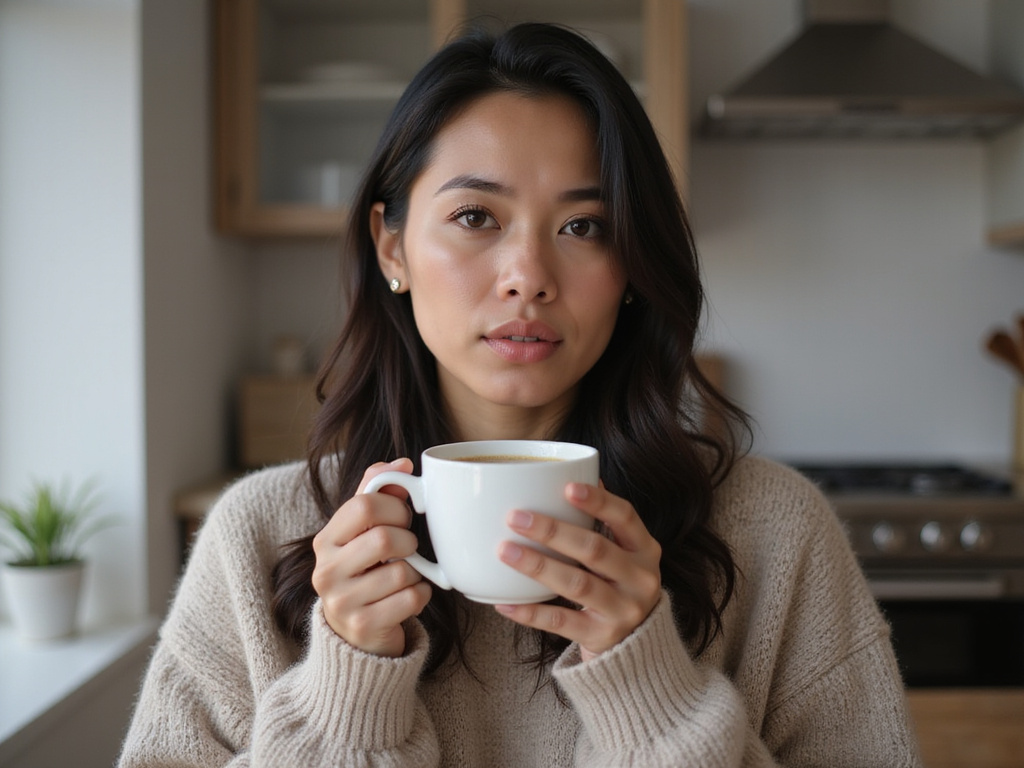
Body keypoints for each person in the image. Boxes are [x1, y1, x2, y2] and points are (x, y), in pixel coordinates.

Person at [119, 22, 921, 767]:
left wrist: (650, 688)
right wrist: (344, 699)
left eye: (584, 227)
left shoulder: (775, 538)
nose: (528, 277)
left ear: (633, 267)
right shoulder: (259, 538)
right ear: (391, 246)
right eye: (475, 216)